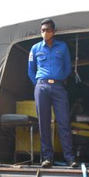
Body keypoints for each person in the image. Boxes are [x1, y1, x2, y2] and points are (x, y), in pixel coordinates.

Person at [27, 18, 76, 168]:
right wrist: (39, 84)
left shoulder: (62, 46)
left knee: (63, 122)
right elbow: (30, 70)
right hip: (41, 86)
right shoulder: (35, 48)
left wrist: (59, 79)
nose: (45, 33)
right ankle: (47, 157)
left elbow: (68, 67)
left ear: (53, 31)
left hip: (58, 87)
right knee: (44, 123)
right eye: (42, 30)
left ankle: (70, 158)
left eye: (48, 30)